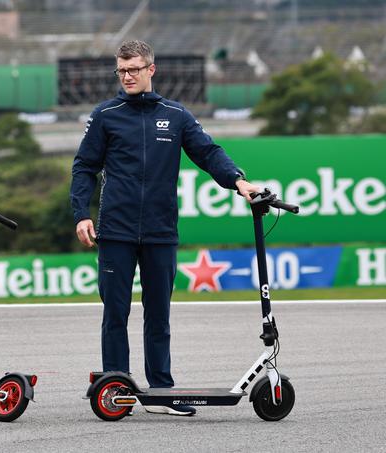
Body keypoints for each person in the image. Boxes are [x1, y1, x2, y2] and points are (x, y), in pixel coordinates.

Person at [70, 40, 260, 416]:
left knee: (158, 314)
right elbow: (84, 167)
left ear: (150, 70)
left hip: (160, 231)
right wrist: (81, 212)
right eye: (121, 71)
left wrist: (239, 181)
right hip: (116, 231)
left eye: (134, 69)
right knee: (115, 312)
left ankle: (161, 392)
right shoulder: (105, 114)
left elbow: (208, 152)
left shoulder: (175, 114)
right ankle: (116, 389)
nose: (127, 76)